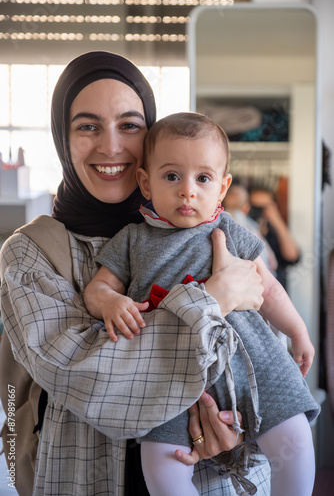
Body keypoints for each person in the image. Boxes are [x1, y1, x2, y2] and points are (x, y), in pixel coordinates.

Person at [0, 51, 272, 496]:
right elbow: (87, 379)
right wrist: (212, 300)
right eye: (87, 126)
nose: (111, 146)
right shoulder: (30, 254)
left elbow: (259, 356)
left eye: (129, 125)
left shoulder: (214, 232)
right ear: (62, 139)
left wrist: (236, 427)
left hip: (204, 475)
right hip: (83, 477)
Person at [84, 112, 320, 496]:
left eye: (203, 178)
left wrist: (298, 332)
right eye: (172, 176)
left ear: (223, 186)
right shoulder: (132, 239)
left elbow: (271, 290)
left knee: (294, 439)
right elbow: (97, 289)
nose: (187, 191)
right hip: (168, 372)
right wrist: (110, 301)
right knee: (161, 462)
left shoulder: (227, 229)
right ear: (145, 182)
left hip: (251, 360)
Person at [249, 186, 300, 289]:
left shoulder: (275, 232)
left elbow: (293, 257)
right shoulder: (244, 230)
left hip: (276, 292)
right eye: (255, 207)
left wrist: (276, 219)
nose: (260, 211)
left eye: (265, 207)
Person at [223, 182, 278, 275]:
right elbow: (262, 242)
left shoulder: (223, 218)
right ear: (246, 208)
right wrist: (272, 258)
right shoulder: (247, 222)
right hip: (260, 268)